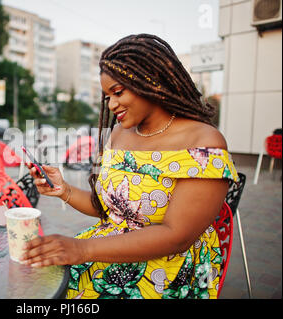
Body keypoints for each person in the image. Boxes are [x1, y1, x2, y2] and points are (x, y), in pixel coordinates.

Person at [21, 34, 239, 299]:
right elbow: (109, 210)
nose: (112, 104)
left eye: (118, 92)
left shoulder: (203, 142)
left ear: (151, 79)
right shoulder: (118, 134)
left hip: (166, 271)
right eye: (107, 96)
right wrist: (63, 190)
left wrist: (82, 249)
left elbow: (176, 236)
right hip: (106, 251)